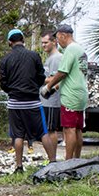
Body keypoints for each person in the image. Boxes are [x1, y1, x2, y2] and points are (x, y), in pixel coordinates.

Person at [0, 28, 45, 173]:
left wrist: (12, 91)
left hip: (15, 101)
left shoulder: (5, 60)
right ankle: (53, 163)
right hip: (32, 101)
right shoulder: (34, 56)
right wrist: (34, 87)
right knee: (43, 133)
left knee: (18, 135)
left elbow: (3, 83)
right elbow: (41, 76)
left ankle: (19, 166)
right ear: (23, 40)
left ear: (9, 42)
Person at [43, 23, 88, 160]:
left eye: (58, 38)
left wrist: (48, 86)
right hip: (81, 93)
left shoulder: (70, 50)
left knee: (69, 129)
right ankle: (77, 159)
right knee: (78, 129)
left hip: (70, 95)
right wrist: (56, 86)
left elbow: (62, 72)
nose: (58, 41)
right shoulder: (81, 49)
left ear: (63, 35)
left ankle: (68, 162)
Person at [38, 30, 61, 162]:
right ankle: (51, 158)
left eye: (46, 42)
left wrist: (39, 78)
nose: (43, 45)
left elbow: (57, 78)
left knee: (51, 130)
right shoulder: (50, 58)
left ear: (54, 42)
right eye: (42, 43)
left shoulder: (57, 58)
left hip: (52, 100)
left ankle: (53, 160)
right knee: (46, 130)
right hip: (45, 100)